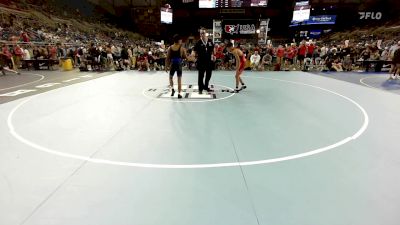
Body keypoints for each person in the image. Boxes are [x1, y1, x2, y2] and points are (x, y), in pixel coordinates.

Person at [193, 28, 215, 94]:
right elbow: (194, 51)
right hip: (201, 62)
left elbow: (212, 51)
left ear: (206, 33)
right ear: (200, 34)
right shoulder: (198, 42)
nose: (202, 34)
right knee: (201, 76)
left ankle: (206, 86)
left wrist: (213, 56)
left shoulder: (210, 41)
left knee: (208, 75)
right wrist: (193, 55)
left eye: (203, 33)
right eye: (201, 33)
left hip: (209, 62)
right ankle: (200, 89)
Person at [165, 34, 187, 99]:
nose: (181, 41)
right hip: (179, 65)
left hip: (172, 64)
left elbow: (167, 58)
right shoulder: (182, 48)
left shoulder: (170, 48)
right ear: (178, 40)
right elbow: (186, 57)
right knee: (179, 79)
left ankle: (172, 89)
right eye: (180, 40)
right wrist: (192, 59)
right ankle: (179, 94)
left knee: (170, 77)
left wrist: (166, 66)